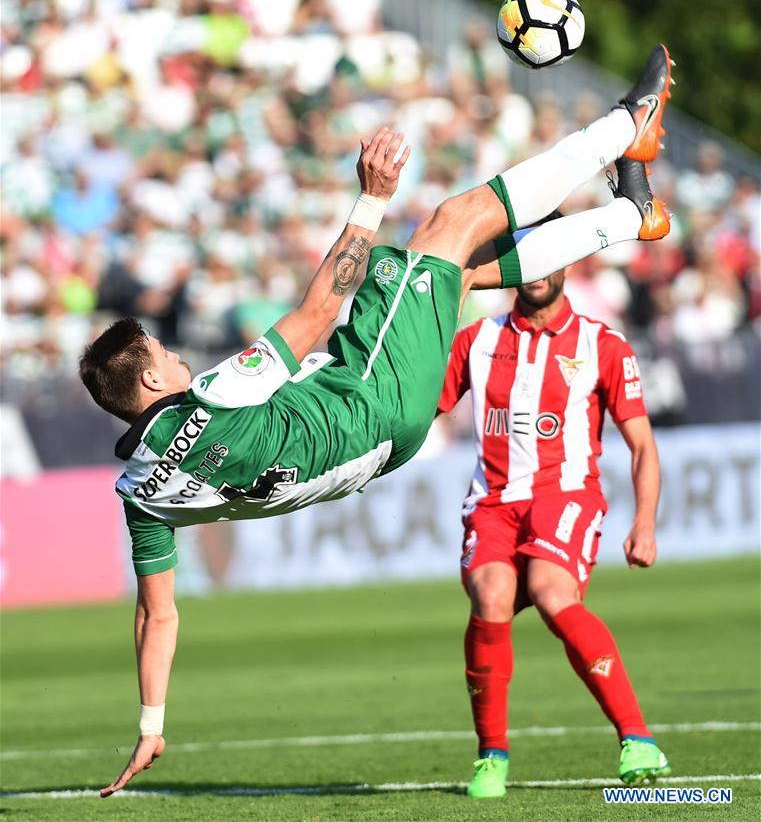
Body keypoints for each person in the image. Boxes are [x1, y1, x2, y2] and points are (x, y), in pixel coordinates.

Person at [79, 45, 674, 798]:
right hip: (368, 392)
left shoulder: (140, 494)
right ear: (152, 377)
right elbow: (318, 309)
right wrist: (369, 196)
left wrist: (151, 721)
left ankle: (629, 213)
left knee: (444, 262)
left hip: (377, 440)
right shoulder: (212, 395)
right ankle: (624, 128)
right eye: (163, 350)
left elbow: (155, 615)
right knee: (453, 222)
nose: (175, 353)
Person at [438, 266, 670, 797]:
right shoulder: (477, 340)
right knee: (491, 596)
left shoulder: (601, 343)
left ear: (567, 264)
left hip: (565, 495)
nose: (537, 272)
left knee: (549, 590)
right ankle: (490, 755)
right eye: (526, 261)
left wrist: (644, 522)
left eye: (548, 259)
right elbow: (423, 410)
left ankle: (637, 739)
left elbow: (642, 446)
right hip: (492, 504)